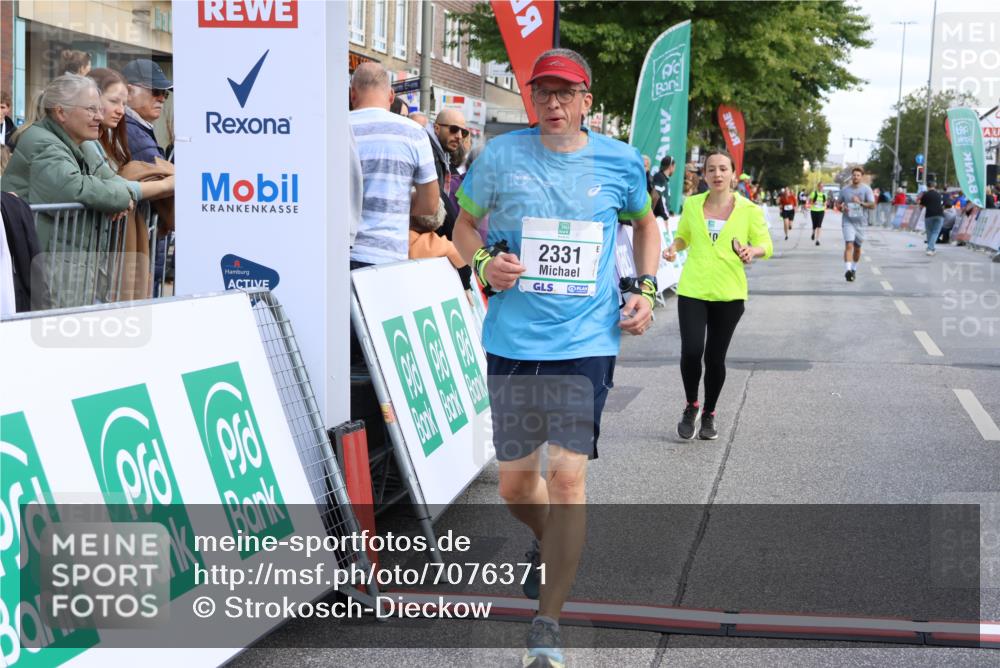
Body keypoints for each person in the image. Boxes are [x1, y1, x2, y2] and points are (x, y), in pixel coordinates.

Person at [453, 48, 658, 668]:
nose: (554, 103)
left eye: (566, 93)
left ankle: (548, 623)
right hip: (513, 339)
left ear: (587, 101)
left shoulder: (621, 162)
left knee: (567, 476)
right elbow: (463, 229)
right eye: (543, 92)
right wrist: (486, 265)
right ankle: (552, 544)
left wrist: (644, 290)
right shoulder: (500, 156)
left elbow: (646, 227)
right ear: (531, 97)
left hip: (587, 341)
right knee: (517, 486)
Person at [663, 148, 772, 441]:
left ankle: (709, 412)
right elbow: (684, 235)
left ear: (733, 174)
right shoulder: (692, 204)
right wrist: (675, 246)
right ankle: (691, 405)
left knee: (714, 358)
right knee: (691, 351)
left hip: (729, 292)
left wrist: (753, 250)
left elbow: (766, 244)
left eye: (723, 168)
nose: (717, 174)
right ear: (704, 175)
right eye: (711, 169)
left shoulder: (749, 210)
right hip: (693, 288)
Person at [3, 75, 137, 305]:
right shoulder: (41, 142)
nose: (99, 116)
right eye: (90, 109)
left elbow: (118, 183)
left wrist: (121, 196)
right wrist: (118, 198)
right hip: (45, 270)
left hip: (69, 268)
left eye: (99, 109)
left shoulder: (83, 143)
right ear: (61, 113)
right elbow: (77, 189)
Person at [348, 62, 438, 268]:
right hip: (388, 258)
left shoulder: (334, 127)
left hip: (339, 253)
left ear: (353, 94)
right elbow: (430, 204)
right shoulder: (414, 133)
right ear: (391, 96)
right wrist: (397, 200)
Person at [425, 108, 468, 239]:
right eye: (454, 129)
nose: (459, 136)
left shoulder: (441, 153)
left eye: (464, 132)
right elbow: (433, 201)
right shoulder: (428, 152)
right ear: (437, 128)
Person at [121, 58, 172, 164]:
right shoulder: (133, 134)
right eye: (156, 91)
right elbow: (162, 176)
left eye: (165, 93)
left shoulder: (132, 127)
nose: (162, 99)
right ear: (129, 92)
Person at [838, 166, 876, 282]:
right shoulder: (845, 190)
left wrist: (860, 203)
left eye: (858, 175)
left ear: (861, 177)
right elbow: (838, 204)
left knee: (857, 248)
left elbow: (873, 205)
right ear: (852, 176)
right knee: (849, 245)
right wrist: (841, 207)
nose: (856, 177)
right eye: (854, 175)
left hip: (861, 223)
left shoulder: (866, 189)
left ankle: (854, 268)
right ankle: (848, 270)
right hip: (848, 221)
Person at [918, 179, 945, 256]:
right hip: (940, 214)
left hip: (929, 215)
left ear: (927, 186)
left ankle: (930, 248)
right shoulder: (939, 194)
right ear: (934, 186)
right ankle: (931, 248)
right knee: (936, 232)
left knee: (930, 232)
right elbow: (942, 204)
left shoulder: (925, 195)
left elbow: (921, 206)